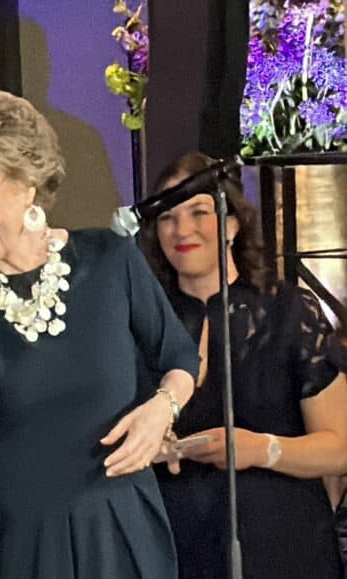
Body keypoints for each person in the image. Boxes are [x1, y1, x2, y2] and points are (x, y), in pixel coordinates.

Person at [0, 85, 198, 579]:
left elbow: (179, 357)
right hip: (12, 543)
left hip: (117, 531)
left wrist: (162, 410)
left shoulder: (110, 259)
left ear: (26, 183)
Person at [139, 151, 347, 579]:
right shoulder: (139, 324)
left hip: (282, 546)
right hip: (173, 547)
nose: (182, 230)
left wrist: (262, 449)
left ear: (233, 223)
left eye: (199, 211)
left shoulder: (289, 311)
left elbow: (340, 447)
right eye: (167, 217)